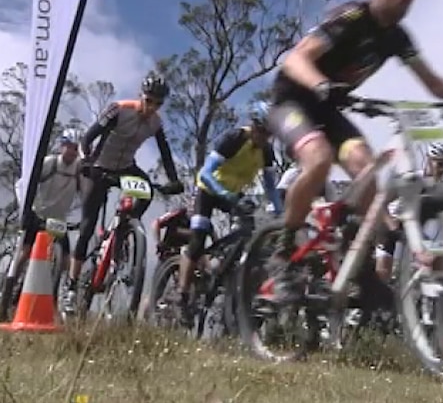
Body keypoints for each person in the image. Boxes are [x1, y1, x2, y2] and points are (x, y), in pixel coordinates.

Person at [265, 0, 443, 302]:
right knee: (318, 160)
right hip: (291, 103)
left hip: (329, 107)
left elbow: (431, 82)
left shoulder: (398, 38)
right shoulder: (351, 18)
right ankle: (282, 249)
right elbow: (295, 59)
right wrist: (320, 84)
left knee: (367, 169)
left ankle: (360, 266)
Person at [63, 75, 184, 313]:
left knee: (147, 192)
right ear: (141, 96)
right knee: (87, 228)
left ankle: (123, 233)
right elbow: (88, 138)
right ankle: (71, 286)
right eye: (149, 101)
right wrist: (86, 160)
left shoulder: (156, 123)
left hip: (125, 168)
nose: (151, 108)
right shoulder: (119, 110)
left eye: (157, 104)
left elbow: (166, 153)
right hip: (97, 167)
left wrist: (174, 180)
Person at [175, 101, 283, 325]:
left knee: (249, 238)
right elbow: (205, 173)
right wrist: (224, 193)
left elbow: (271, 187)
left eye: (269, 134)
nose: (265, 137)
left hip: (233, 196)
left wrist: (279, 214)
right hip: (208, 190)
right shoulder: (234, 139)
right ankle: (182, 295)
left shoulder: (266, 151)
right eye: (262, 131)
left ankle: (225, 276)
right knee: (198, 240)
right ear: (253, 125)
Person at [1, 128, 87, 319]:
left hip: (59, 220)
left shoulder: (78, 170)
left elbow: (85, 194)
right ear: (61, 146)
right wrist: (25, 206)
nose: (72, 152)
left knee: (65, 261)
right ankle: (7, 292)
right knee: (23, 254)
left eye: (75, 148)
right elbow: (24, 182)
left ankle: (55, 297)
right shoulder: (50, 163)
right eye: (69, 147)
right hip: (38, 214)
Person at [374, 141, 443, 283]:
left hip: (411, 229)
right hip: (390, 224)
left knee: (439, 260)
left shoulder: (442, 188)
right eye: (440, 163)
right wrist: (391, 225)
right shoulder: (412, 180)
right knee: (383, 275)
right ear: (429, 160)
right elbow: (381, 202)